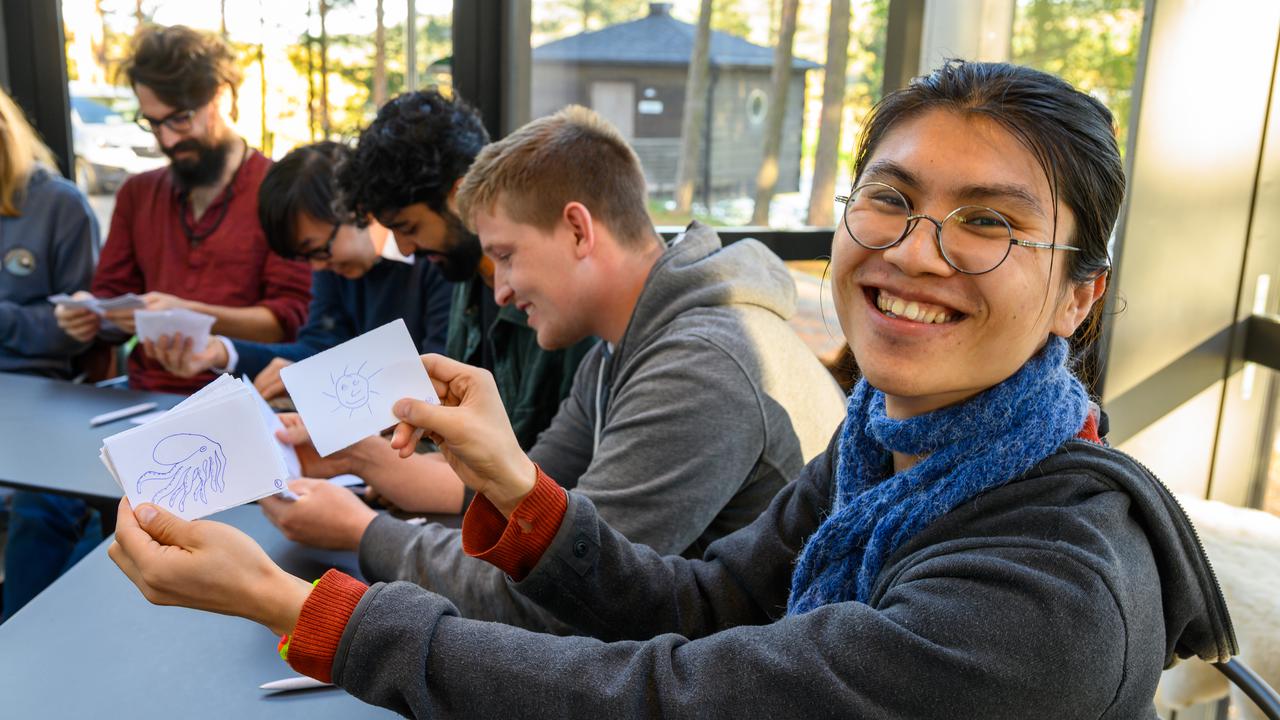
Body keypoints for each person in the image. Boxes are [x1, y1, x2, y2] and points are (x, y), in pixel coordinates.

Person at [109, 61, 1236, 718]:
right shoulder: (886, 440)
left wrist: (300, 605)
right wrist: (513, 487)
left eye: (987, 223)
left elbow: (664, 694)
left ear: (1078, 296)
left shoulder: (1043, 596)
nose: (915, 253)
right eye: (890, 200)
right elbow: (706, 600)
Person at [255, 106, 847, 631]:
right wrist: (440, 461)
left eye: (506, 256)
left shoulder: (699, 368)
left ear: (578, 230)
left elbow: (561, 594)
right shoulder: (613, 355)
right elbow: (534, 511)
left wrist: (364, 533)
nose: (501, 291)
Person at [327, 89, 593, 453]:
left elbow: (542, 470)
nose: (405, 249)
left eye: (409, 228)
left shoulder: (558, 296)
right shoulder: (464, 281)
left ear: (460, 195)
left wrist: (363, 460)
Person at [54, 24, 311, 394]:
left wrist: (188, 313)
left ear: (222, 97)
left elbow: (288, 322)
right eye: (153, 123)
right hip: (143, 394)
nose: (168, 139)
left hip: (244, 394)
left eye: (180, 118)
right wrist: (89, 315)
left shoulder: (278, 192)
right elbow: (111, 300)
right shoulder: (138, 193)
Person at [145, 141, 451, 396]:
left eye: (318, 250)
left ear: (357, 209)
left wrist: (317, 378)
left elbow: (438, 370)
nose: (317, 266)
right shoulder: (332, 267)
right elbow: (319, 348)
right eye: (305, 257)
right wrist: (221, 351)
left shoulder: (431, 259)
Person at [0, 87, 101, 619]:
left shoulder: (58, 204)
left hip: (40, 393)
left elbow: (79, 330)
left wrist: (12, 322)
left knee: (41, 507)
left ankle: (18, 636)